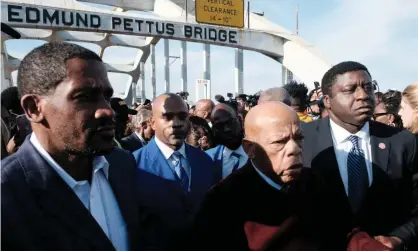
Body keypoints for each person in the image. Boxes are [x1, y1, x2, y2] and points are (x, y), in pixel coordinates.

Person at [1, 42, 142, 251]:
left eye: (106, 96)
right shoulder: (7, 193)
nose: (107, 111)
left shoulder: (122, 164)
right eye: (84, 97)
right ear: (33, 108)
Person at [302, 61, 418, 250]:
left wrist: (399, 238)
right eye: (350, 89)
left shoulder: (403, 142)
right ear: (327, 100)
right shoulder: (302, 140)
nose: (363, 96)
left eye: (368, 87)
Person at [194, 101, 332, 251]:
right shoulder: (222, 201)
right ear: (250, 149)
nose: (294, 149)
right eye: (279, 142)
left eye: (299, 138)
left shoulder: (315, 184)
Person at [132, 93, 215, 251]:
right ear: (152, 122)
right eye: (167, 117)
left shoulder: (205, 161)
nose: (176, 123)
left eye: (182, 116)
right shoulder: (134, 165)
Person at [206, 103, 247, 183]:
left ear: (239, 120)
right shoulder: (207, 158)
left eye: (230, 122)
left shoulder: (260, 154)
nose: (226, 129)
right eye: (220, 126)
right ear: (214, 130)